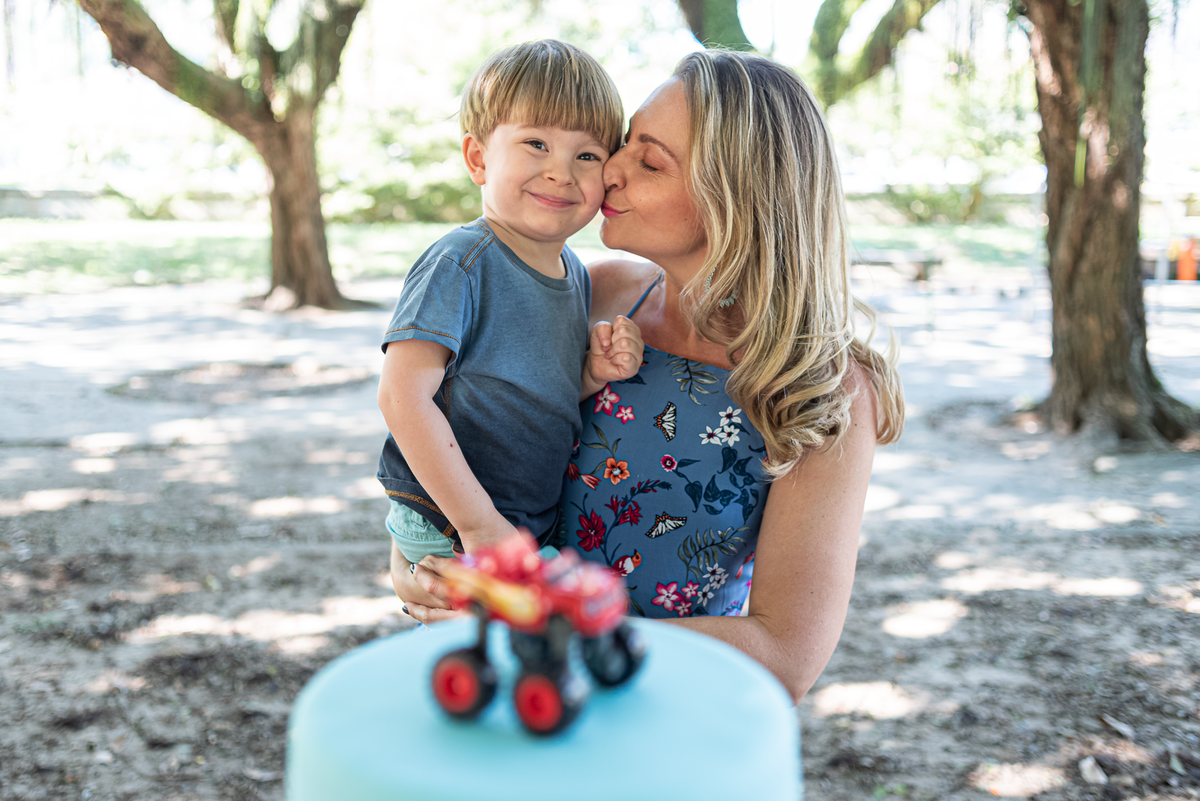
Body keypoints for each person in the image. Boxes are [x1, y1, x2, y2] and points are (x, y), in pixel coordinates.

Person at [394, 49, 904, 707]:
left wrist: (558, 631)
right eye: (625, 143)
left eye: (650, 160)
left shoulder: (816, 388)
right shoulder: (595, 296)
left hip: (658, 706)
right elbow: (456, 425)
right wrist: (414, 561)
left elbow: (786, 655)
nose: (610, 169)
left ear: (736, 198)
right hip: (518, 691)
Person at [377, 40, 644, 576]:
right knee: (557, 630)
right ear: (478, 158)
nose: (561, 172)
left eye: (586, 155)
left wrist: (592, 372)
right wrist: (479, 527)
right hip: (454, 521)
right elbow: (401, 395)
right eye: (536, 144)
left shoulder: (575, 275)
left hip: (520, 521)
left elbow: (537, 391)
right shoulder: (462, 262)